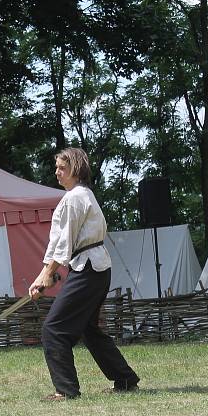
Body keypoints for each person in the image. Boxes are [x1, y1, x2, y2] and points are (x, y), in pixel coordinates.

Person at [29, 147, 140, 401]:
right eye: (56, 167)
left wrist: (49, 275)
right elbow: (57, 241)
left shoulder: (76, 197)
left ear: (76, 168)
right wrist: (41, 275)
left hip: (89, 267)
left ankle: (66, 390)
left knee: (54, 328)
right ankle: (125, 379)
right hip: (93, 267)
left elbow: (65, 242)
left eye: (62, 167)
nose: (56, 172)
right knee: (88, 329)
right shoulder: (76, 197)